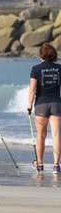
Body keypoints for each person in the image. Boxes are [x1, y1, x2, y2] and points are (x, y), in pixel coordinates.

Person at [26, 43, 61, 174]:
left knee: (40, 135)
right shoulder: (59, 68)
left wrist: (29, 105)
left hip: (41, 104)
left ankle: (40, 164)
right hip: (57, 104)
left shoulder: (36, 69)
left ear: (41, 54)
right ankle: (56, 165)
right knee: (57, 135)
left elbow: (32, 90)